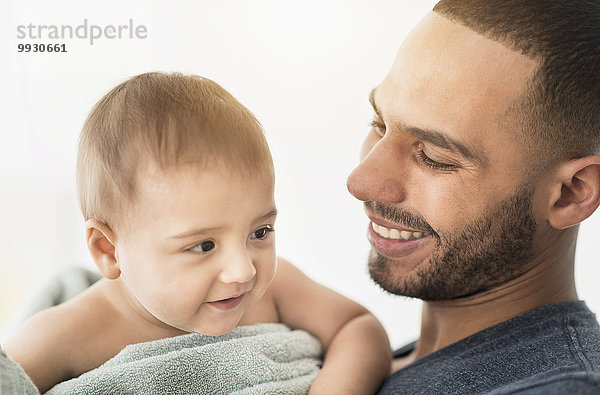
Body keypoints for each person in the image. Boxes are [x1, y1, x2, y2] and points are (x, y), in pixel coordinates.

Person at [3, 72, 391, 393]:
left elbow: (357, 327)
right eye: (204, 245)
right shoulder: (64, 335)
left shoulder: (276, 289)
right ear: (109, 249)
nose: (243, 270)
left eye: (260, 231)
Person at [347, 0, 600, 393]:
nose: (362, 183)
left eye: (434, 157)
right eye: (379, 124)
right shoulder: (364, 362)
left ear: (570, 194)